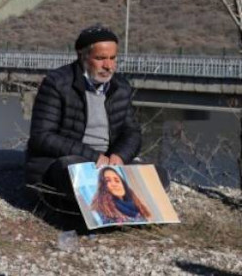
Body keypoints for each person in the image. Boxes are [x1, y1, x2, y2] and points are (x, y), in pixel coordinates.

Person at [25, 25, 169, 208]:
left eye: (112, 58)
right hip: (66, 160)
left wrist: (120, 156)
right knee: (74, 171)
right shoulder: (57, 83)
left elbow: (132, 132)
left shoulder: (120, 87)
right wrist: (94, 157)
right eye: (100, 58)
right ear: (82, 56)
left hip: (109, 164)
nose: (108, 66)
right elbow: (42, 136)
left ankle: (112, 204)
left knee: (158, 175)